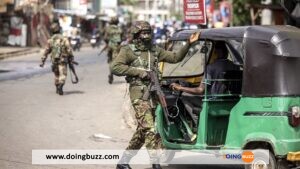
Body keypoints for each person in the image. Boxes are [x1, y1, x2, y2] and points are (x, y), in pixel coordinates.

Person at [111, 21, 199, 169]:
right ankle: (155, 162)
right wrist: (139, 72)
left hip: (153, 95)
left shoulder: (154, 50)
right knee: (151, 129)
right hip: (139, 95)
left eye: (148, 32)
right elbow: (116, 67)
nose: (146, 36)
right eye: (143, 33)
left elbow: (175, 58)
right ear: (136, 35)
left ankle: (123, 161)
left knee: (143, 130)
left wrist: (189, 44)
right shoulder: (128, 50)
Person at [170, 42, 240, 95]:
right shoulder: (235, 66)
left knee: (185, 94)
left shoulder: (210, 67)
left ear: (216, 52)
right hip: (232, 99)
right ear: (227, 52)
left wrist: (180, 88)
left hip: (213, 101)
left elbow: (200, 90)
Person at [40, 23, 75, 95]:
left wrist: (42, 61)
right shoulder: (64, 39)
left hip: (54, 61)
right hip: (62, 60)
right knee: (63, 74)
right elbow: (69, 49)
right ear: (59, 29)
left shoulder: (50, 40)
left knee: (56, 75)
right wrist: (71, 58)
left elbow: (46, 51)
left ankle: (57, 87)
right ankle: (60, 86)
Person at [104, 16, 122, 84]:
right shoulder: (120, 29)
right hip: (117, 47)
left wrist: (107, 43)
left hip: (110, 47)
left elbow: (105, 38)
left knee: (110, 61)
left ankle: (111, 74)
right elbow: (122, 38)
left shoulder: (108, 28)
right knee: (116, 61)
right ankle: (112, 73)